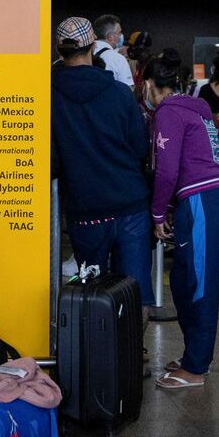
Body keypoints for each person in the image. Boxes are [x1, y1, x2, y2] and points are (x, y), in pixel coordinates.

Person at [144, 53, 219, 390]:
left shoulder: (168, 112)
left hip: (201, 202)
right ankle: (193, 356)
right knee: (184, 283)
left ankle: (196, 368)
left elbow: (166, 170)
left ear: (152, 85)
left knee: (198, 287)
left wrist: (157, 212)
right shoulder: (195, 109)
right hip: (207, 200)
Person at [51, 17, 154, 310]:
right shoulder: (121, 94)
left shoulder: (48, 97)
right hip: (130, 205)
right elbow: (138, 148)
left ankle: (95, 350)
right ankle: (132, 352)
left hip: (86, 211)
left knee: (91, 292)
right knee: (135, 293)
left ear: (60, 51)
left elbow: (54, 162)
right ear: (94, 46)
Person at [92, 14, 134, 87]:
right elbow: (128, 91)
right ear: (111, 37)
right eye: (119, 33)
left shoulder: (85, 53)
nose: (121, 35)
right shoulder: (118, 59)